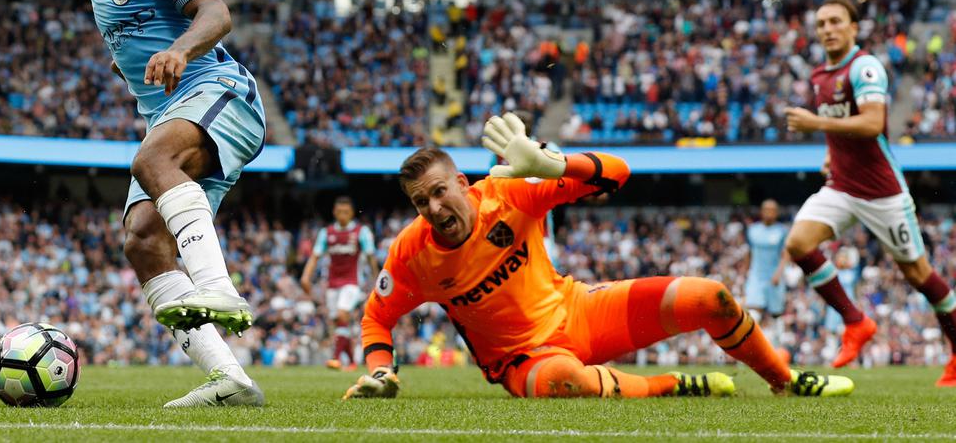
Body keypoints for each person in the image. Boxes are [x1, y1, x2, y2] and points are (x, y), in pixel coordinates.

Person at [344, 113, 852, 400]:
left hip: (580, 311)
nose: (433, 209)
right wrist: (384, 371)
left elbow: (619, 171)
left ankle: (786, 384)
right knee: (569, 382)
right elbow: (376, 318)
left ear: (461, 183)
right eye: (420, 202)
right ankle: (674, 386)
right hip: (526, 361)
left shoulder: (509, 193)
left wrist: (551, 162)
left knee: (711, 297)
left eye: (438, 192)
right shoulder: (412, 251)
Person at [33, 0, 266, 407]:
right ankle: (230, 381)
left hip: (220, 92)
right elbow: (139, 38)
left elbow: (215, 14)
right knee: (141, 240)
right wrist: (137, 64)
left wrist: (180, 49)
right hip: (171, 113)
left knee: (149, 162)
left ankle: (218, 289)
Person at [784, 0, 956, 386]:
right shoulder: (819, 76)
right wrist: (830, 155)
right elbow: (837, 126)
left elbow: (872, 123)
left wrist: (814, 124)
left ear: (853, 27)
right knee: (798, 244)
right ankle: (855, 322)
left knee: (918, 273)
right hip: (842, 186)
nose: (828, 29)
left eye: (835, 22)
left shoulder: (864, 68)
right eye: (822, 23)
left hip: (882, 192)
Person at [299, 196, 379, 369]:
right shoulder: (326, 233)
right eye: (339, 211)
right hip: (332, 284)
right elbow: (315, 256)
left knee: (343, 315)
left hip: (353, 282)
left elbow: (371, 258)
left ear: (351, 213)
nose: (342, 215)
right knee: (338, 322)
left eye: (346, 212)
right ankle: (351, 362)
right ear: (334, 212)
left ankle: (335, 357)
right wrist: (306, 276)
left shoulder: (361, 232)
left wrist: (376, 280)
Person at [744, 199, 790, 346]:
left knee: (776, 314)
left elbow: (786, 254)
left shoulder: (782, 231)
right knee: (753, 311)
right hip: (756, 277)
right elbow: (750, 252)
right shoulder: (753, 230)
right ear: (762, 212)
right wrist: (746, 271)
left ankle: (778, 348)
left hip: (774, 277)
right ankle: (749, 347)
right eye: (766, 209)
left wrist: (779, 273)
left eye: (772, 210)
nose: (769, 212)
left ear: (776, 213)